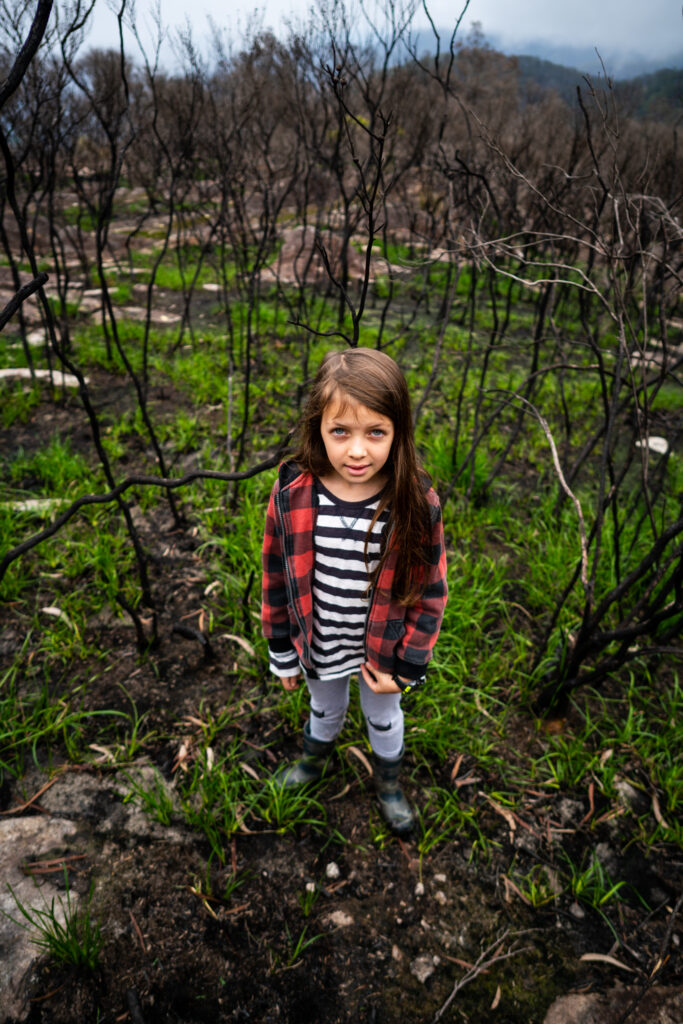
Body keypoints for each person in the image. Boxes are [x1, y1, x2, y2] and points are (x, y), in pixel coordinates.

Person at [261, 348, 448, 834]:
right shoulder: (292, 495)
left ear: (398, 432)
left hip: (382, 652)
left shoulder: (415, 502)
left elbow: (431, 592)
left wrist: (408, 667)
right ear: (317, 427)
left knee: (383, 717)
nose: (357, 451)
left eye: (376, 433)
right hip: (321, 642)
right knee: (324, 707)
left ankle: (388, 783)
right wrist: (282, 652)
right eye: (340, 431)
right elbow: (276, 577)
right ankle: (311, 760)